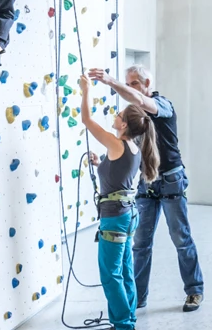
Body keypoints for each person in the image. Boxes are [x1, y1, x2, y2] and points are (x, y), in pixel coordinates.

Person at [86, 65, 204, 313]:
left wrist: (110, 81)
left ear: (147, 83)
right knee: (140, 243)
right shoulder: (135, 117)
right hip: (147, 182)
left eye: (134, 84)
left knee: (181, 238)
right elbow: (127, 155)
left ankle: (194, 290)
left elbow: (140, 100)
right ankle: (138, 296)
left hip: (171, 179)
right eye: (128, 84)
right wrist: (102, 163)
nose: (130, 89)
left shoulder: (162, 105)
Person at [77, 74, 159, 330]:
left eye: (119, 114)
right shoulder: (131, 147)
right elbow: (117, 173)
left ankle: (123, 329)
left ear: (124, 125)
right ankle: (127, 321)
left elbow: (87, 120)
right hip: (126, 215)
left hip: (115, 218)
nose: (115, 115)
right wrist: (100, 163)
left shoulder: (117, 143)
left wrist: (86, 90)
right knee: (123, 271)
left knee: (110, 274)